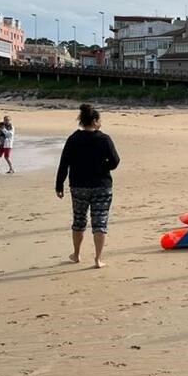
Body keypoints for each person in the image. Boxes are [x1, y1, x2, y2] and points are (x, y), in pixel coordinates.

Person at [55, 104, 121, 268]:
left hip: (78, 186)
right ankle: (98, 259)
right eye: (100, 120)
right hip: (102, 185)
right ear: (95, 121)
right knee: (100, 222)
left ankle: (76, 254)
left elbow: (64, 163)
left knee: (79, 220)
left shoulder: (73, 139)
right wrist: (104, 166)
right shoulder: (104, 139)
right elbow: (115, 161)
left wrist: (59, 185)